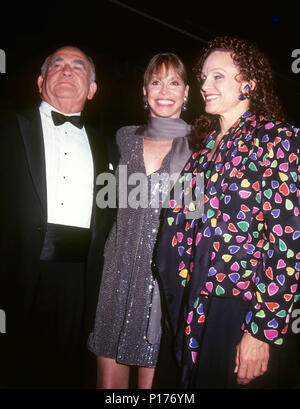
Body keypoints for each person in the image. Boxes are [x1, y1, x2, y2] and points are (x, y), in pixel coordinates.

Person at [154, 36, 300, 389]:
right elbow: (184, 226)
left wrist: (262, 331)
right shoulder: (202, 154)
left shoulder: (278, 140)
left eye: (217, 76)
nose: (204, 85)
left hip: (240, 309)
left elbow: (288, 242)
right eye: (202, 77)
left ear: (248, 83)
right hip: (193, 306)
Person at [0, 46, 113, 388]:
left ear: (92, 89)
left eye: (78, 67)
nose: (67, 71)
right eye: (57, 65)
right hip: (14, 272)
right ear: (40, 81)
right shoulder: (6, 126)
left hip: (80, 280)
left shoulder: (110, 146)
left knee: (64, 373)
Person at [88, 53, 192, 389]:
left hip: (164, 285)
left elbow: (196, 219)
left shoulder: (202, 147)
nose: (165, 89)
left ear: (187, 92)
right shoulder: (123, 139)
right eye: (156, 81)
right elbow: (107, 206)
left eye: (174, 82)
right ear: (144, 89)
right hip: (115, 275)